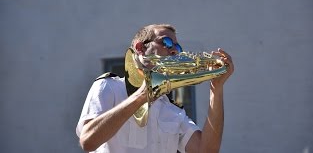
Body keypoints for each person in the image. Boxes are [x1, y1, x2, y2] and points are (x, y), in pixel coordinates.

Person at [76, 24, 234, 153]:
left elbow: (206, 151)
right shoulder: (108, 86)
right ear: (140, 48)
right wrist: (142, 96)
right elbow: (88, 141)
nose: (173, 50)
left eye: (177, 48)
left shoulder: (173, 110)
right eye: (166, 43)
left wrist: (216, 89)